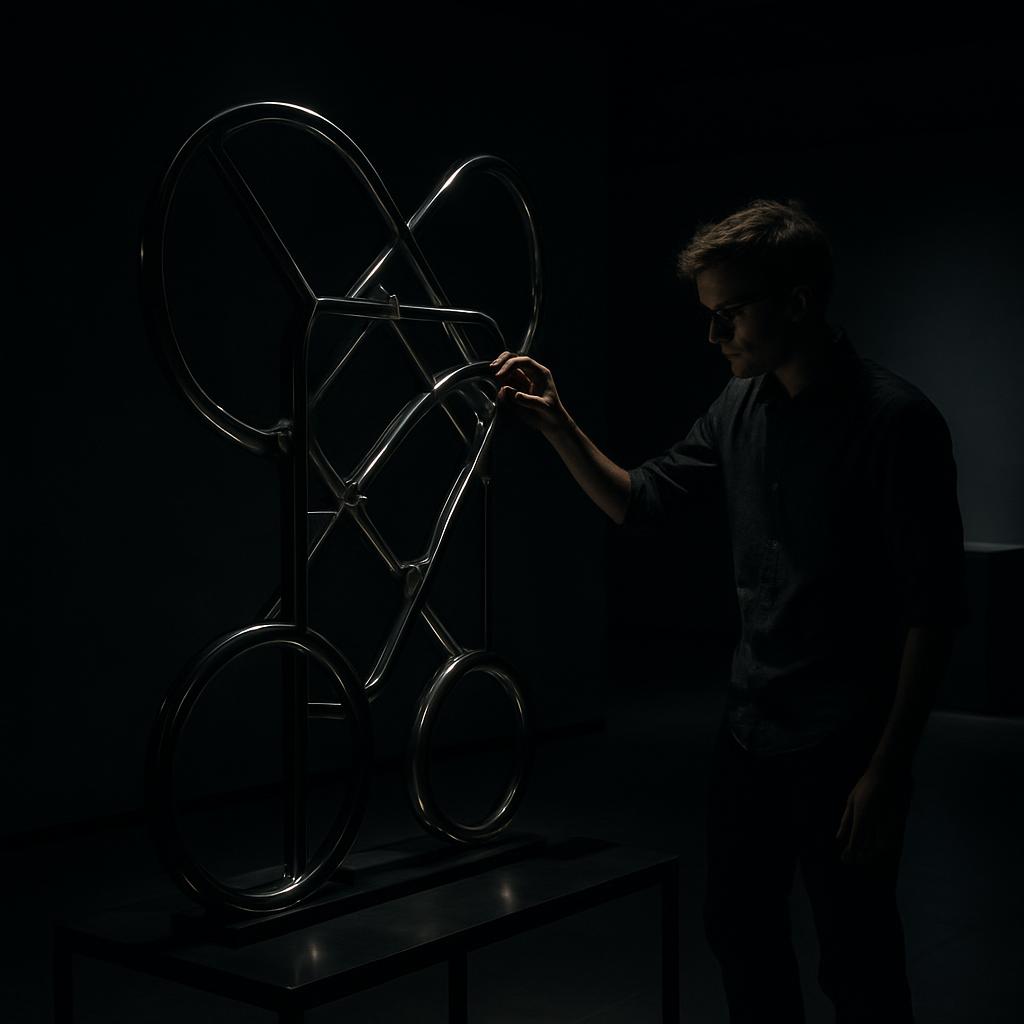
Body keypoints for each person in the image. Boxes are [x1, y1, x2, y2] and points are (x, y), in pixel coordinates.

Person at [488, 197, 970, 1023]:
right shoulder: (735, 409)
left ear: (797, 300)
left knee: (857, 960)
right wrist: (557, 423)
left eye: (731, 315)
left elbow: (934, 611)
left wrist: (887, 772)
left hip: (844, 743)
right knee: (739, 932)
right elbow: (638, 501)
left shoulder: (897, 424)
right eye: (710, 316)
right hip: (751, 730)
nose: (715, 337)